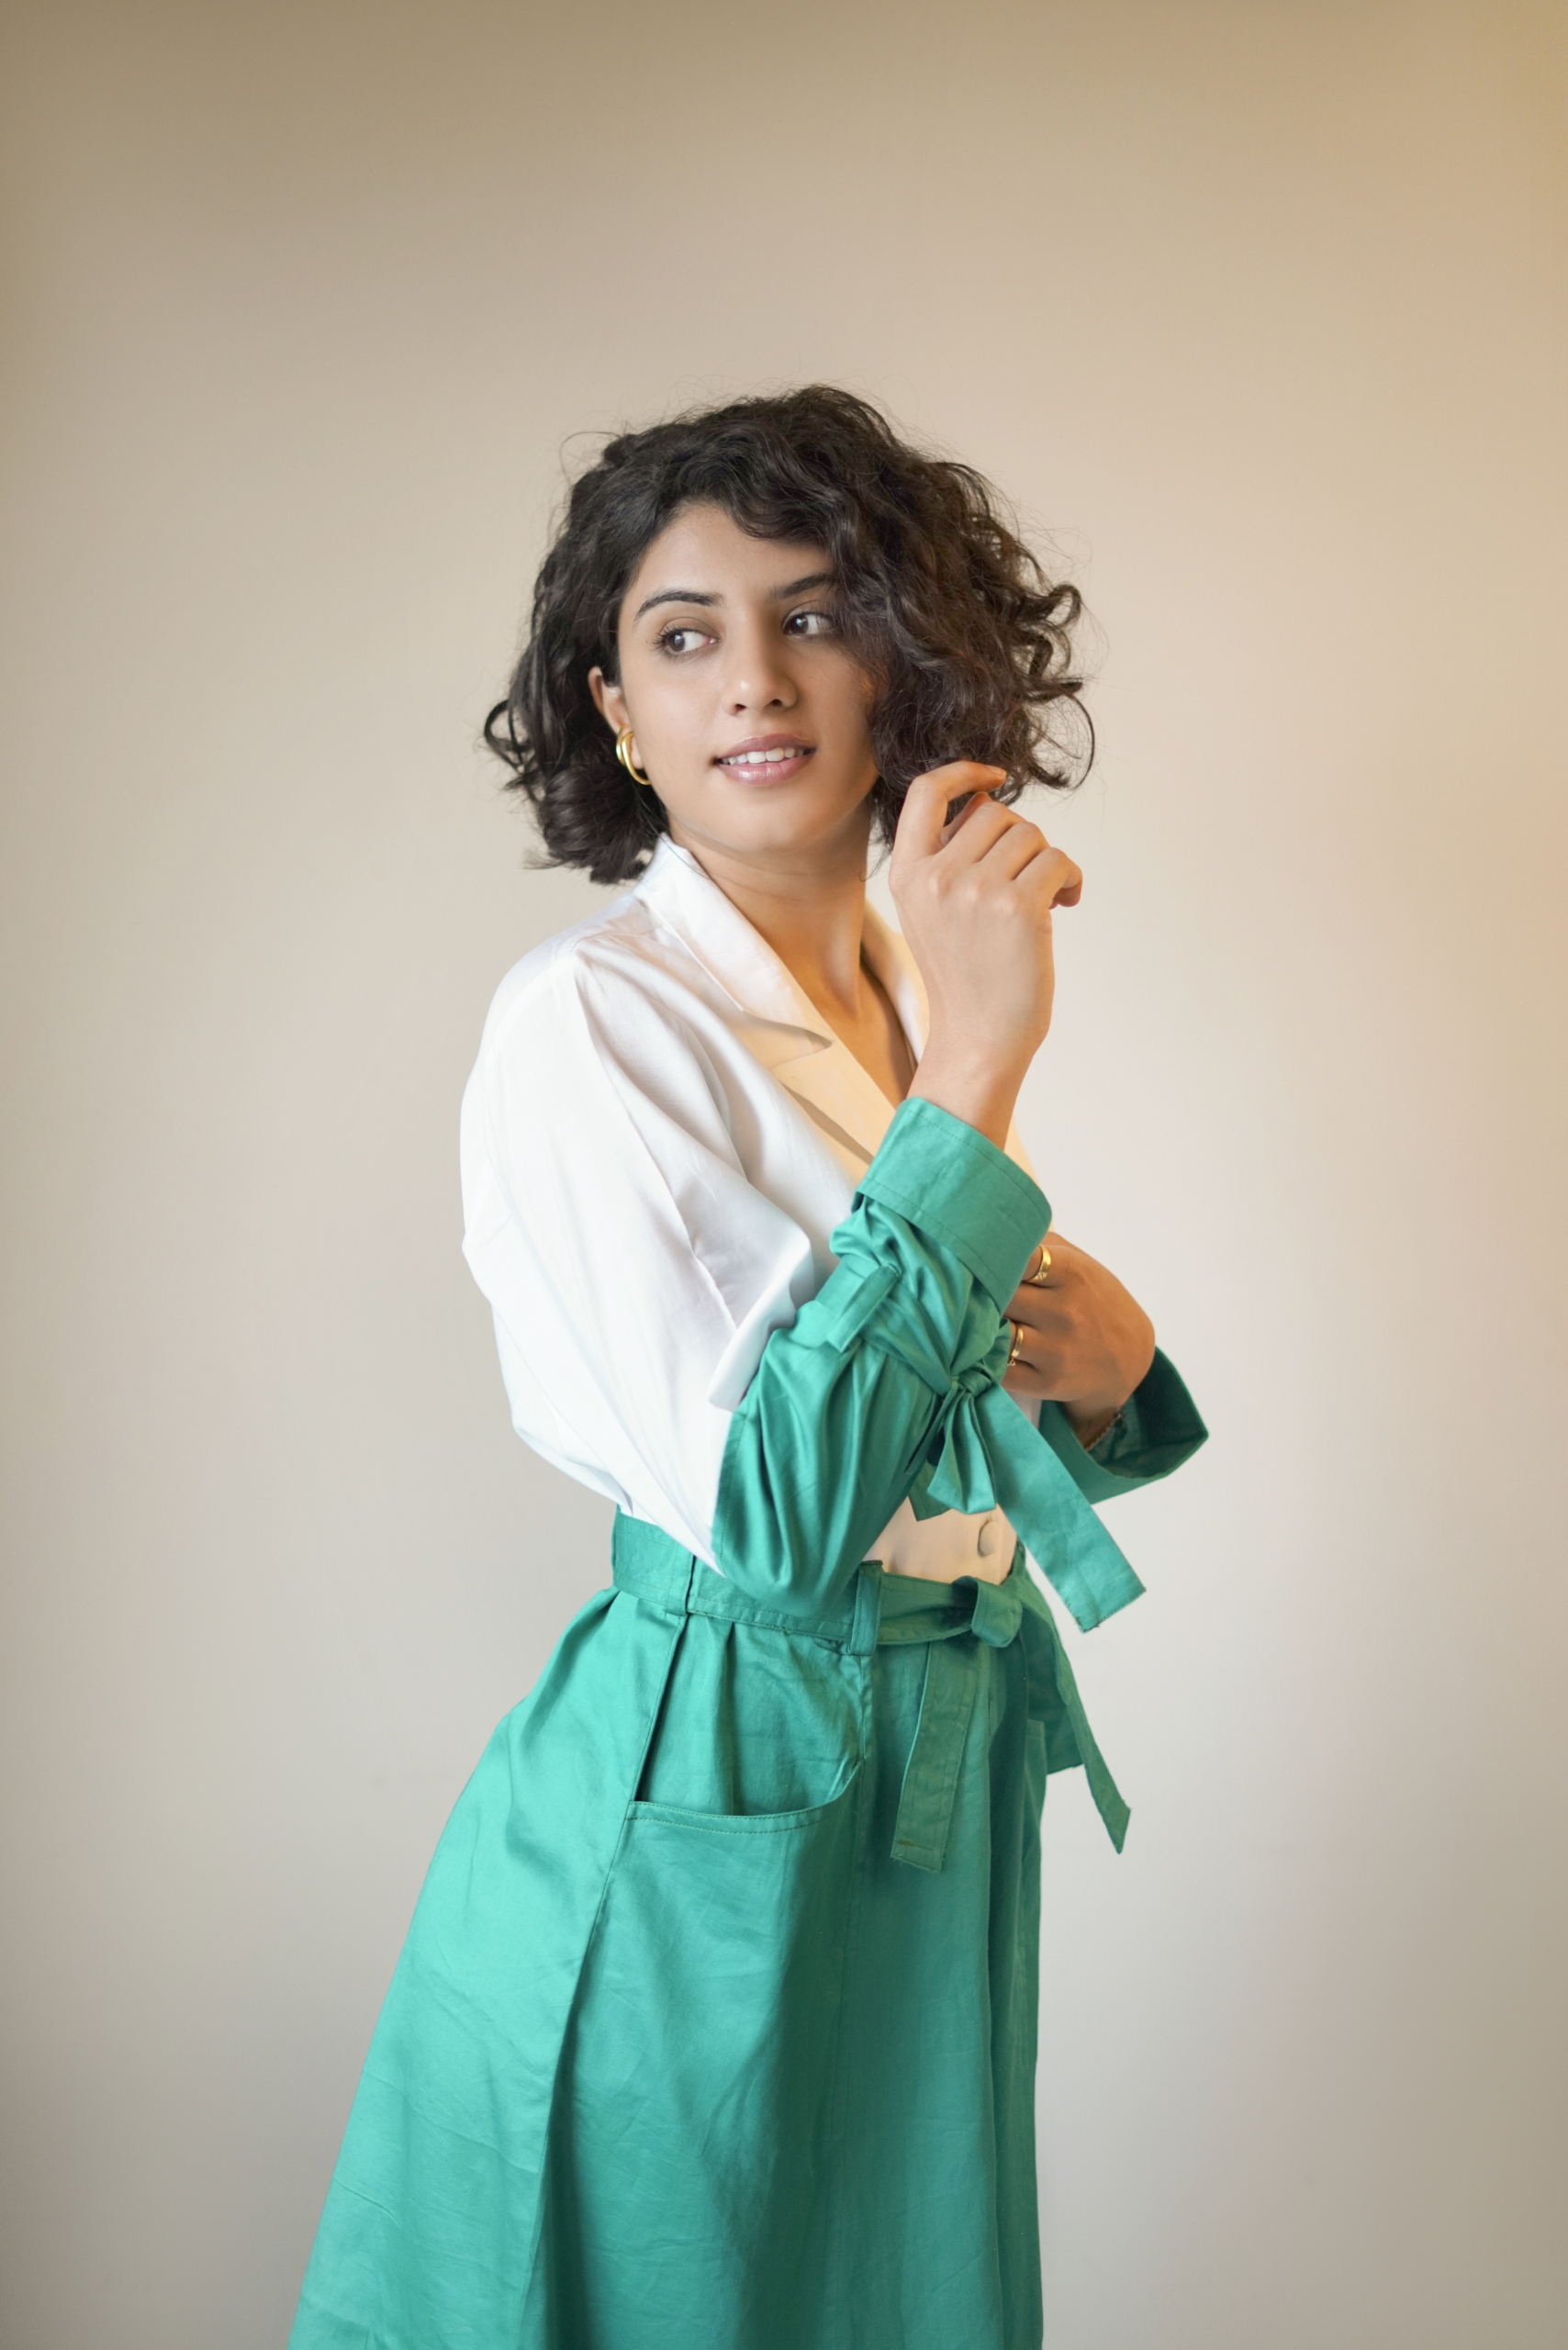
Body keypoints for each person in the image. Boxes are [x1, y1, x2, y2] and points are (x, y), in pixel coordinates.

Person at [289, 386, 1207, 2350]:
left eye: (814, 614)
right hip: (713, 1763)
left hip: (932, 1758)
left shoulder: (894, 987)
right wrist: (983, 1066)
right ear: (616, 712)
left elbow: (942, 1414)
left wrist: (1112, 1365)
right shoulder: (590, 1024)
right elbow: (783, 1521)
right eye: (683, 634)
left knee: (903, 2296)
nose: (755, 680)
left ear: (900, 661)